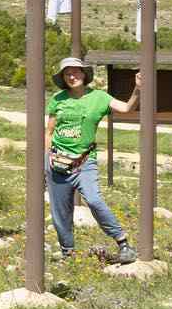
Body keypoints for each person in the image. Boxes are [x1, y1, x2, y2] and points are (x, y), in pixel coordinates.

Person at [46, 57, 140, 263]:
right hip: (57, 163)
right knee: (60, 211)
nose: (72, 76)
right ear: (63, 77)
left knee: (95, 200)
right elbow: (49, 131)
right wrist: (47, 160)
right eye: (67, 73)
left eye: (76, 72)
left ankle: (123, 243)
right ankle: (67, 254)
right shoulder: (57, 99)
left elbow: (126, 108)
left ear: (84, 74)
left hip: (84, 162)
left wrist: (137, 90)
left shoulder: (99, 97)